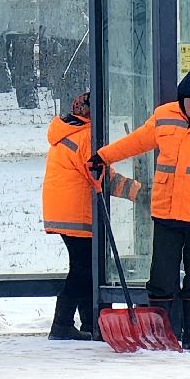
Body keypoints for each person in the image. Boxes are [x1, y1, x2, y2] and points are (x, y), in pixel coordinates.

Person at [90, 69, 190, 352]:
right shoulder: (164, 116)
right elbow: (136, 141)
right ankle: (163, 331)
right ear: (182, 100)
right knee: (162, 276)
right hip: (167, 212)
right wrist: (103, 156)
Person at [42, 91, 143, 341]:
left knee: (86, 268)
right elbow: (103, 177)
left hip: (63, 211)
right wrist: (138, 192)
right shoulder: (87, 136)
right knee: (83, 269)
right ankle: (62, 323)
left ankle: (90, 322)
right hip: (77, 213)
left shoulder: (67, 131)